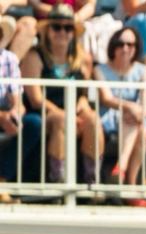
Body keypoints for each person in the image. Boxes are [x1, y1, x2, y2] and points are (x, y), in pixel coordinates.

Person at [22, 1, 100, 186]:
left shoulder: (83, 58)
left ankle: (92, 182)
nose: (62, 32)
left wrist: (81, 106)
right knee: (60, 120)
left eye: (68, 28)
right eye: (57, 27)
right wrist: (62, 113)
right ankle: (58, 181)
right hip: (45, 113)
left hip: (73, 112)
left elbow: (83, 93)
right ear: (48, 30)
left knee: (93, 120)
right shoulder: (35, 56)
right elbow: (35, 99)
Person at [98, 23, 146, 191]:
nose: (125, 48)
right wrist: (130, 107)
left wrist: (138, 111)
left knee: (143, 131)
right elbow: (107, 99)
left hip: (137, 118)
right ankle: (126, 177)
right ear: (113, 46)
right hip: (109, 118)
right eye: (120, 44)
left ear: (136, 48)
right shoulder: (100, 69)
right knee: (130, 118)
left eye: (130, 44)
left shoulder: (144, 71)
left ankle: (125, 177)